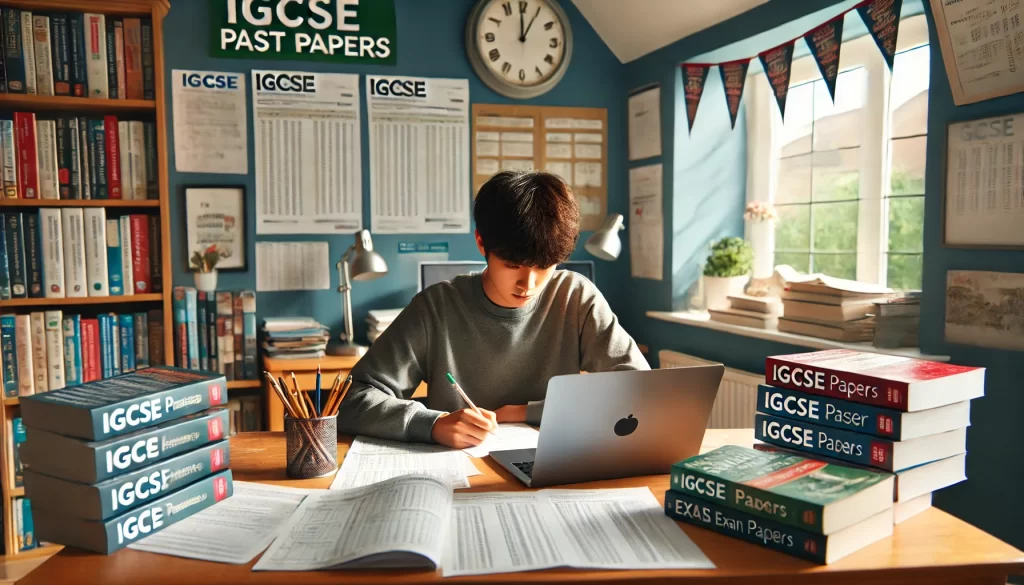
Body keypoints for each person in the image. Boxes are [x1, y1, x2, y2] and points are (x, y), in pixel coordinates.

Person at [337, 170, 649, 448]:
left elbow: (639, 389)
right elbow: (351, 400)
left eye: (544, 267)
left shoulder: (576, 297)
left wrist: (526, 411)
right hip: (459, 473)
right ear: (481, 243)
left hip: (553, 467)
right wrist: (430, 424)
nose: (528, 283)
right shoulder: (437, 308)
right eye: (513, 265)